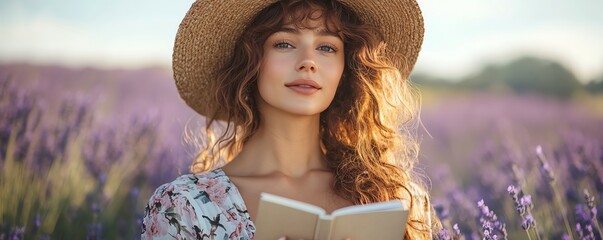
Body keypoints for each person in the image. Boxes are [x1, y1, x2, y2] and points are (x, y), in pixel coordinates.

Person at [142, 0, 437, 239]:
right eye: (284, 43)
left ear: (345, 69)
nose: (308, 61)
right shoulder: (184, 204)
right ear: (250, 62)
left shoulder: (390, 197)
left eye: (327, 47)